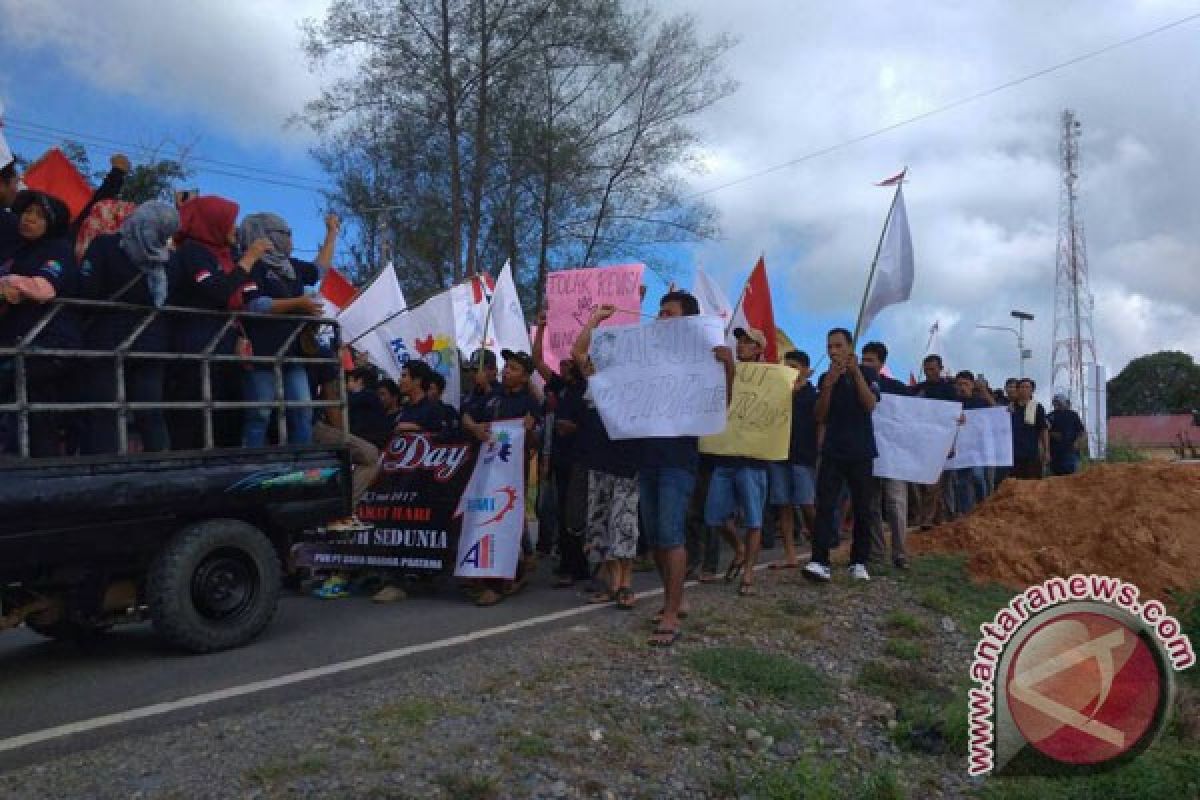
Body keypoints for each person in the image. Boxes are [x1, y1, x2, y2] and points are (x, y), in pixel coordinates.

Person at [596, 290, 732, 647]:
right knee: (656, 537)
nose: (659, 318)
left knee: (671, 536)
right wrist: (598, 325)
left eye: (668, 313)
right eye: (658, 312)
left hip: (677, 463)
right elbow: (602, 371)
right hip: (647, 460)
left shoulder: (701, 359)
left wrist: (728, 367)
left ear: (686, 320)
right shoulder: (648, 358)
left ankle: (671, 612)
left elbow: (720, 405)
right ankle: (677, 598)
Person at [78, 200, 180, 454]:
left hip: (106, 341)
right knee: (150, 411)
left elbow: (86, 291)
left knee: (106, 411)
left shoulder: (106, 245)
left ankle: (105, 472)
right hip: (152, 344)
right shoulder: (169, 260)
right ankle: (161, 471)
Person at [165, 195, 256, 450]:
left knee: (227, 418)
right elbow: (216, 291)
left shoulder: (226, 255)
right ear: (213, 223)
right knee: (194, 419)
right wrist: (248, 260)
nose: (234, 229)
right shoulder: (193, 252)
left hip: (225, 347)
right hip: (196, 347)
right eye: (229, 222)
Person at [236, 212, 333, 447]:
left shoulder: (291, 266)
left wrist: (331, 233)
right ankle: (250, 465)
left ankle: (302, 465)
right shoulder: (251, 264)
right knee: (259, 414)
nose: (291, 240)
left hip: (293, 351)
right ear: (267, 236)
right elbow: (255, 305)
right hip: (261, 353)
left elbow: (319, 270)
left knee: (302, 411)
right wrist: (299, 303)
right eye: (286, 234)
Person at [0, 191, 82, 456]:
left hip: (47, 344)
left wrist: (11, 284)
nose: (29, 219)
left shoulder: (57, 249)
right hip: (21, 342)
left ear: (52, 222)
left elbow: (44, 288)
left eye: (38, 215)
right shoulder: (19, 251)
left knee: (37, 417)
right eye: (27, 212)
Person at [460, 349, 543, 607]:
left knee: (503, 522)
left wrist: (529, 432)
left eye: (514, 368)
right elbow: (466, 416)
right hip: (485, 470)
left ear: (525, 376)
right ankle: (491, 571)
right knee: (482, 518)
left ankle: (498, 581)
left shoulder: (529, 404)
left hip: (511, 475)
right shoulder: (492, 397)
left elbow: (535, 441)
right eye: (506, 366)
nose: (507, 370)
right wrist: (474, 427)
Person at [566, 318, 640, 608]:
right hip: (597, 462)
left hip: (626, 462)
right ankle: (611, 582)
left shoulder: (636, 383)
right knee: (600, 522)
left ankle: (626, 584)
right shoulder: (596, 381)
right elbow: (577, 351)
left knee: (624, 522)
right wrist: (596, 319)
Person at [803, 328, 880, 583]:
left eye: (838, 346)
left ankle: (858, 561)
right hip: (833, 451)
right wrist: (827, 386)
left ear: (850, 347)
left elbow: (869, 404)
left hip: (861, 451)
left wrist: (856, 372)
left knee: (862, 509)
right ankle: (819, 560)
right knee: (825, 506)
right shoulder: (826, 376)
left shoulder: (868, 373)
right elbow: (820, 415)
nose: (833, 351)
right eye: (829, 347)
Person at [705, 326, 771, 597]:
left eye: (748, 342)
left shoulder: (769, 378)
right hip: (725, 456)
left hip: (752, 460)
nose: (741, 345)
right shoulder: (722, 372)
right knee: (714, 516)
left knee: (754, 520)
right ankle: (740, 549)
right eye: (739, 341)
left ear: (759, 349)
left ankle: (748, 574)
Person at [533, 311, 590, 586]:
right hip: (559, 459)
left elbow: (593, 423)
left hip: (579, 459)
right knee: (558, 511)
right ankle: (567, 562)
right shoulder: (560, 386)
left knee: (574, 515)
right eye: (563, 363)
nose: (565, 366)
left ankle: (577, 567)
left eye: (569, 363)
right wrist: (541, 329)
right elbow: (537, 362)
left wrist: (575, 428)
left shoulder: (587, 388)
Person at [859, 342, 911, 569]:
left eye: (870, 360)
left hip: (893, 455)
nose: (865, 364)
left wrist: (952, 420)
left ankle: (900, 553)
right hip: (866, 453)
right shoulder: (855, 383)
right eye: (864, 359)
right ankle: (877, 551)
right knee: (870, 504)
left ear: (881, 364)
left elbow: (920, 415)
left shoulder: (897, 387)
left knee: (895, 503)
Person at [766, 349, 818, 571]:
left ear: (806, 370)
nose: (790, 372)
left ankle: (819, 550)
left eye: (794, 368)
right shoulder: (777, 394)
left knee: (807, 504)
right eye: (786, 368)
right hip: (778, 455)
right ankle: (790, 555)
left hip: (802, 457)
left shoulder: (813, 396)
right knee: (784, 506)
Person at [912, 353, 957, 526]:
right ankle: (937, 516)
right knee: (919, 480)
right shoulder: (918, 389)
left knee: (934, 480)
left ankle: (927, 518)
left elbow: (954, 416)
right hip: (920, 440)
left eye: (932, 369)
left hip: (940, 440)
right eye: (926, 369)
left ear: (940, 368)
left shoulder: (949, 390)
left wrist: (952, 443)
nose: (929, 372)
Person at [951, 370, 995, 515]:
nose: (962, 387)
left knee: (978, 477)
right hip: (959, 449)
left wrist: (984, 391)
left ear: (972, 385)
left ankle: (983, 506)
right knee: (962, 481)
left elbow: (997, 413)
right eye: (959, 384)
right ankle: (966, 512)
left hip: (978, 448)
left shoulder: (980, 401)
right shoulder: (952, 404)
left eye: (965, 383)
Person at [1010, 378, 1049, 479]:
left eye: (1027, 387)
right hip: (1013, 454)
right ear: (1017, 390)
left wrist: (1046, 450)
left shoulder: (1037, 407)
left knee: (1033, 484)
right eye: (1021, 387)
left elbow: (1043, 429)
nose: (1024, 389)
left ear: (1032, 390)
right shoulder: (1010, 407)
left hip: (1031, 453)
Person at [1047, 393, 1086, 476]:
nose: (1057, 404)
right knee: (1056, 479)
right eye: (1055, 402)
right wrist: (1051, 433)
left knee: (1072, 478)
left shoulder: (1073, 415)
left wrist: (1078, 442)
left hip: (1070, 451)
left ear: (1065, 402)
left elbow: (1081, 431)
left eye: (1059, 402)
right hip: (1055, 453)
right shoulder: (1050, 416)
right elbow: (1044, 431)